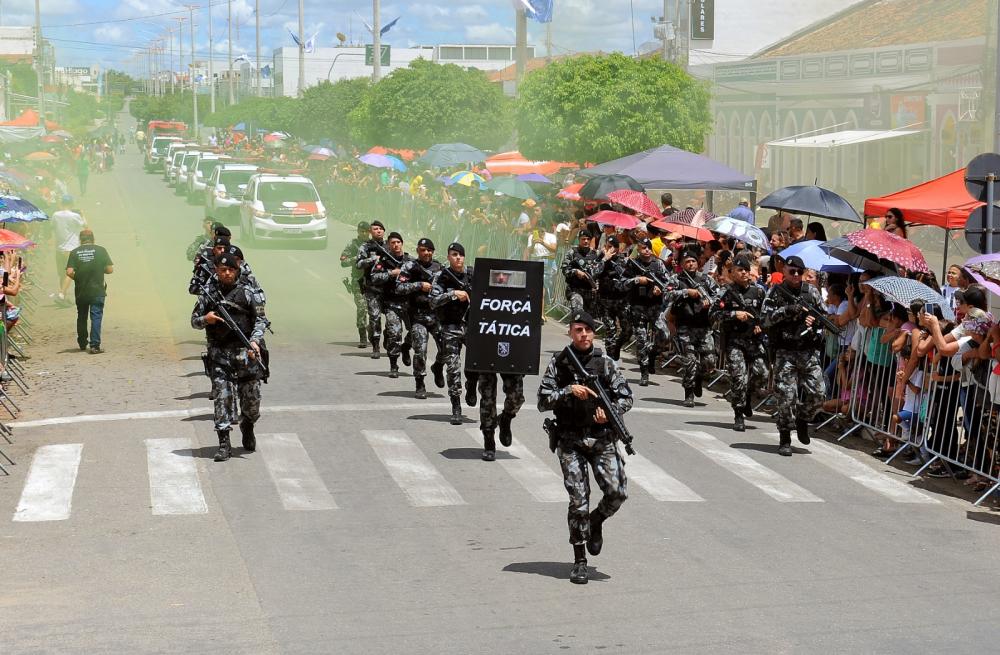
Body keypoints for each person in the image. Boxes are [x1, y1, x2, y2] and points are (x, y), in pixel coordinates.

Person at [537, 311, 632, 585]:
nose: (584, 334)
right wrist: (568, 391)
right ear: (570, 332)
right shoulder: (560, 362)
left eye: (588, 330)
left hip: (601, 437)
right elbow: (543, 400)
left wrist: (610, 412)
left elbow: (626, 397)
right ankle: (580, 560)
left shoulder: (606, 364)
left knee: (617, 493)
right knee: (578, 501)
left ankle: (597, 520)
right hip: (570, 440)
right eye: (578, 330)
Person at [191, 252, 269, 462]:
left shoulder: (248, 292)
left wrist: (254, 341)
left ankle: (248, 425)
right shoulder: (208, 294)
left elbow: (261, 320)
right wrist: (206, 319)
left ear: (237, 270)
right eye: (223, 270)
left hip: (246, 354)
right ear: (216, 271)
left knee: (252, 402)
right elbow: (194, 321)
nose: (227, 273)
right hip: (220, 355)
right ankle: (224, 442)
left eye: (231, 270)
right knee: (222, 398)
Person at [762, 255, 828, 455]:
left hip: (807, 351)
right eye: (792, 271)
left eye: (800, 272)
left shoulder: (811, 292)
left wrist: (814, 321)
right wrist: (788, 310)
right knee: (786, 397)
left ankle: (803, 418)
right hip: (785, 351)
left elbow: (824, 316)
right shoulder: (776, 292)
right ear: (784, 271)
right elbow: (765, 319)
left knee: (818, 394)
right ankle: (785, 437)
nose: (796, 275)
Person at [712, 255, 768, 429]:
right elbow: (713, 313)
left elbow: (767, 314)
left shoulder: (759, 292)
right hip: (734, 341)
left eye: (746, 270)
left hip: (754, 340)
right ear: (732, 272)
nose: (744, 273)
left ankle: (747, 396)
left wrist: (760, 325)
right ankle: (738, 414)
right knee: (738, 377)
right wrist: (734, 314)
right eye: (740, 270)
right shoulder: (725, 291)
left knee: (762, 374)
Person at [664, 247, 721, 404]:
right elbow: (666, 295)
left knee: (710, 361)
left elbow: (719, 297)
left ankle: (699, 377)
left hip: (704, 326)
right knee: (689, 361)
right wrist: (686, 292)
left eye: (693, 261)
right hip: (685, 326)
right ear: (682, 263)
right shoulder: (676, 279)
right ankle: (688, 394)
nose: (690, 264)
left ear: (698, 263)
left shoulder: (706, 280)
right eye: (687, 261)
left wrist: (710, 302)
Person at [430, 243, 474, 425]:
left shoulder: (472, 274)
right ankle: (456, 406)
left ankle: (472, 386)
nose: (458, 258)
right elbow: (433, 300)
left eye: (460, 255)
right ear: (448, 257)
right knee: (453, 367)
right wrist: (453, 294)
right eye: (454, 255)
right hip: (450, 326)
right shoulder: (442, 276)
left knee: (477, 362)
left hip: (471, 326)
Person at [396, 238, 445, 399]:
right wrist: (419, 285)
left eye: (429, 250)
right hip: (417, 315)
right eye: (423, 250)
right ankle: (420, 383)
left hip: (436, 316)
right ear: (418, 251)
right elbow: (399, 287)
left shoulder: (439, 268)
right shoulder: (410, 266)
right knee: (420, 350)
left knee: (446, 348)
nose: (426, 253)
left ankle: (438, 367)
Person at [620, 238, 669, 386]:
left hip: (654, 307)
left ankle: (653, 353)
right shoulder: (632, 264)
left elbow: (669, 283)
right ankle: (644, 372)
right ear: (638, 250)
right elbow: (622, 283)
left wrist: (660, 290)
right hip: (638, 307)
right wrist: (637, 280)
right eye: (643, 248)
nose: (646, 250)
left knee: (664, 335)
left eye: (648, 247)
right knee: (641, 340)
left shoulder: (658, 264)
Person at [65, 229, 113, 354]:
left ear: (80, 240)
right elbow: (109, 270)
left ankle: (82, 343)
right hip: (97, 289)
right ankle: (95, 345)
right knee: (96, 316)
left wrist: (78, 277)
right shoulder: (101, 250)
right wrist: (99, 270)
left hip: (81, 290)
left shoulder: (74, 252)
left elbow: (69, 272)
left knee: (81, 316)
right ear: (93, 239)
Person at [370, 232, 411, 378]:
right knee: (395, 333)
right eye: (392, 243)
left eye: (398, 242)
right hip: (391, 303)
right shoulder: (384, 261)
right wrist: (391, 273)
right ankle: (394, 365)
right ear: (388, 245)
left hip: (409, 304)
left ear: (402, 243)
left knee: (417, 332)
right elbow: (374, 277)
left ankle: (406, 347)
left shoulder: (410, 261)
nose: (396, 245)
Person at [356, 220, 389, 358]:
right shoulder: (366, 246)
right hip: (372, 288)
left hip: (389, 289)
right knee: (375, 318)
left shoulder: (390, 245)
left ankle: (388, 336)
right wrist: (372, 259)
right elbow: (359, 263)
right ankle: (376, 346)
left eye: (381, 228)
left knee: (392, 318)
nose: (378, 231)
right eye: (375, 229)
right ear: (371, 231)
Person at [595, 236, 630, 360]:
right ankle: (610, 361)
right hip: (605, 300)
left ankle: (617, 346)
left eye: (611, 247)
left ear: (617, 248)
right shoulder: (600, 259)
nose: (608, 249)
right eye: (607, 246)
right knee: (610, 330)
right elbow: (593, 272)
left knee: (627, 330)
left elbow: (627, 276)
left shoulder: (623, 261)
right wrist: (604, 259)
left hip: (621, 301)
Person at [340, 221, 371, 348]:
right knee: (362, 308)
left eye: (366, 231)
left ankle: (372, 330)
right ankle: (363, 336)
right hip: (358, 281)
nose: (364, 234)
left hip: (374, 282)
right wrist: (357, 259)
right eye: (361, 231)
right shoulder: (353, 244)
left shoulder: (374, 244)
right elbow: (343, 262)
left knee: (374, 310)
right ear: (358, 231)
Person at [51, 195, 86, 302]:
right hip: (71, 248)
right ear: (72, 204)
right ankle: (62, 294)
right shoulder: (75, 216)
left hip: (59, 248)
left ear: (61, 203)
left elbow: (53, 227)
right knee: (71, 272)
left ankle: (63, 296)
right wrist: (82, 214)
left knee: (62, 274)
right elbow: (85, 225)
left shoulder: (55, 215)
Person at [560, 229, 602, 315]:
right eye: (583, 239)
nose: (586, 241)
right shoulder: (572, 252)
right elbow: (564, 269)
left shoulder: (596, 254)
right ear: (579, 239)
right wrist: (575, 271)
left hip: (590, 292)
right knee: (578, 313)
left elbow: (599, 272)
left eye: (588, 239)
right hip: (575, 290)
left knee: (588, 318)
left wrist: (596, 286)